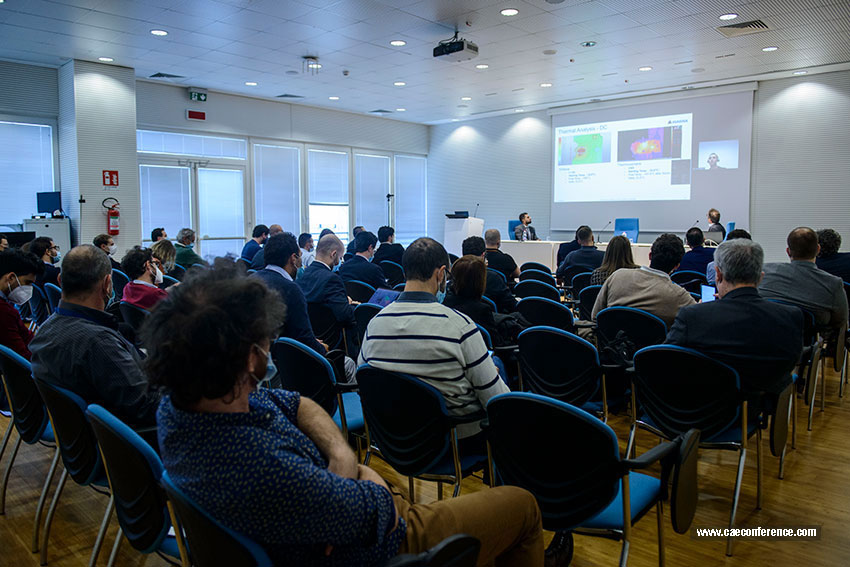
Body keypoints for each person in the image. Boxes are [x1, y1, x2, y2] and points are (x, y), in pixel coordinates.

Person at [148, 264, 543, 566]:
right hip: (387, 544)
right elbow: (381, 513)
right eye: (266, 339)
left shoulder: (184, 408)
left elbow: (297, 404)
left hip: (339, 502)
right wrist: (363, 474)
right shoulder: (265, 469)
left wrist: (340, 455)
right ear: (252, 357)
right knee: (523, 505)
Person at [359, 237, 509, 446]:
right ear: (441, 274)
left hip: (394, 439)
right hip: (454, 439)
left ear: (405, 272)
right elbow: (497, 400)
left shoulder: (375, 324)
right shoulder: (461, 327)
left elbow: (363, 380)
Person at [29, 245, 160, 426]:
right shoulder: (98, 343)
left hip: (84, 428)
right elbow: (146, 406)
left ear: (60, 280)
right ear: (107, 284)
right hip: (131, 432)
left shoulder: (46, 328)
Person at [666, 239, 803, 409]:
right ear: (760, 277)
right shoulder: (790, 316)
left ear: (718, 274)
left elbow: (667, 360)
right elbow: (789, 363)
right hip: (757, 407)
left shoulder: (693, 316)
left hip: (700, 409)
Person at [592, 233, 695, 329]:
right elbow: (698, 322)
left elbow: (596, 317)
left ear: (650, 255)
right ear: (677, 266)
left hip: (610, 341)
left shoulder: (617, 276)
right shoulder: (680, 296)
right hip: (654, 343)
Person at [760, 227, 848, 332]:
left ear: (788, 251)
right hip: (805, 340)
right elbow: (840, 321)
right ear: (818, 249)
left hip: (764, 336)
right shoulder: (833, 284)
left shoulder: (764, 272)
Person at [252, 233, 324, 356]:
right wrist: (323, 349)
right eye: (299, 256)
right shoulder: (291, 289)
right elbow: (303, 338)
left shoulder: (251, 280)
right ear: (293, 258)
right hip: (286, 359)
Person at [297, 233, 356, 336]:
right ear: (333, 254)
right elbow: (345, 316)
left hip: (310, 335)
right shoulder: (332, 279)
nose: (340, 262)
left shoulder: (303, 274)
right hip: (333, 338)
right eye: (340, 258)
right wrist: (350, 305)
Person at [0, 249, 43, 359]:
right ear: (11, 278)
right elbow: (20, 357)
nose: (29, 289)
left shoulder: (7, 308)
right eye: (27, 283)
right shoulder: (5, 312)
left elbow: (27, 336)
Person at [463, 236, 516, 313]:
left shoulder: (456, 276)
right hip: (488, 317)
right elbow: (511, 305)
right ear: (483, 255)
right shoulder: (493, 278)